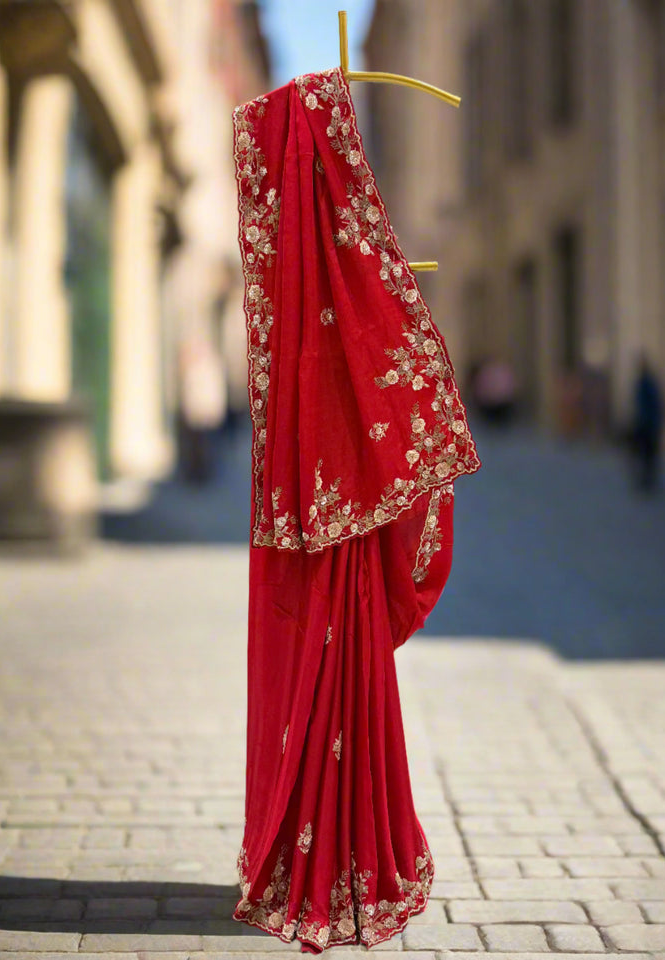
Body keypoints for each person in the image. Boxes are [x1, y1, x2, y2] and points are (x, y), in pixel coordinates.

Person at [231, 66, 481, 951]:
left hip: (320, 496)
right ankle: (339, 862)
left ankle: (327, 861)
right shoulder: (363, 294)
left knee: (325, 650)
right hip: (335, 500)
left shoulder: (342, 293)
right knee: (332, 652)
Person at [629, 352, 665, 492]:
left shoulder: (645, 383)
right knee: (647, 455)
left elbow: (647, 405)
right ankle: (647, 480)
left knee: (646, 455)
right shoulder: (647, 383)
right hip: (649, 424)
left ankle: (647, 481)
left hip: (647, 424)